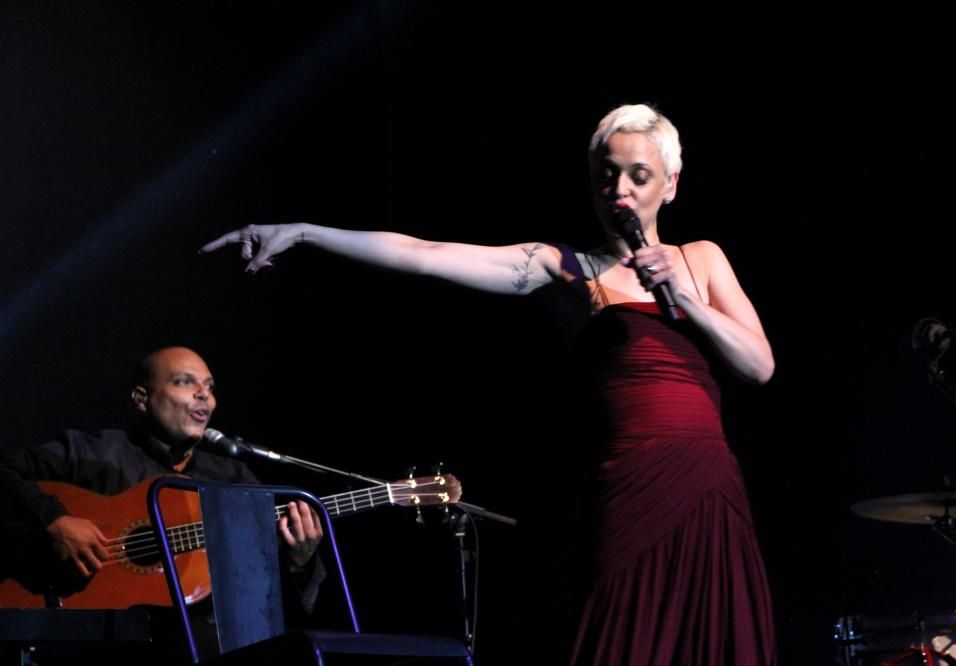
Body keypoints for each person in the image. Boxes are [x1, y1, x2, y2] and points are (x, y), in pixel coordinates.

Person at [201, 103, 776, 665]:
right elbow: (426, 254)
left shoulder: (701, 260)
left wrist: (683, 298)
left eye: (638, 175)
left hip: (708, 483)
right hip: (631, 485)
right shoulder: (566, 268)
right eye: (607, 175)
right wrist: (305, 232)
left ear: (669, 185)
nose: (619, 189)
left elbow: (758, 365)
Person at [0, 346, 325, 660]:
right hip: (94, 644)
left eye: (210, 387)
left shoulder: (233, 480)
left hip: (204, 652)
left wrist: (299, 562)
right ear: (142, 398)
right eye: (185, 382)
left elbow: (263, 600)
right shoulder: (90, 453)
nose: (204, 394)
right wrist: (53, 521)